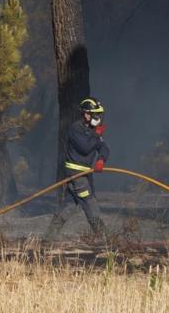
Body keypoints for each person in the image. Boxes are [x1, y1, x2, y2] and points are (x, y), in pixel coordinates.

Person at [44, 97, 110, 242]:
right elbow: (85, 147)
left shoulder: (92, 132)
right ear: (86, 114)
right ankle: (106, 240)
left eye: (99, 115)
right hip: (76, 174)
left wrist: (101, 160)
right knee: (89, 202)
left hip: (85, 174)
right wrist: (97, 135)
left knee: (68, 207)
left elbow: (104, 148)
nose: (98, 118)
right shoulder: (76, 129)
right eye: (95, 114)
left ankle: (48, 239)